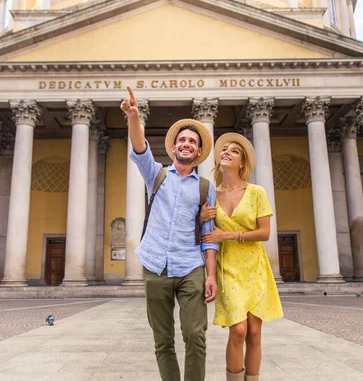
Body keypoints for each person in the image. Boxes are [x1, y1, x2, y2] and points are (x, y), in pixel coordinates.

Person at [121, 86, 219, 381]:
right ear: (173, 148)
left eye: (192, 141)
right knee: (163, 342)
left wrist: (211, 275)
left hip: (191, 266)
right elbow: (140, 149)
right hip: (156, 267)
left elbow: (208, 235)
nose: (186, 144)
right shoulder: (157, 175)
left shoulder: (205, 188)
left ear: (199, 152)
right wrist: (134, 117)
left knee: (195, 336)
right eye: (182, 140)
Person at [200, 132, 283, 381]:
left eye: (234, 151)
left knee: (255, 333)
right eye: (224, 149)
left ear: (242, 163)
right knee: (238, 330)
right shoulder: (210, 195)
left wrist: (228, 236)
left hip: (256, 267)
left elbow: (265, 233)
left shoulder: (257, 192)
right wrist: (201, 219)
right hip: (228, 269)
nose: (226, 151)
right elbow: (207, 239)